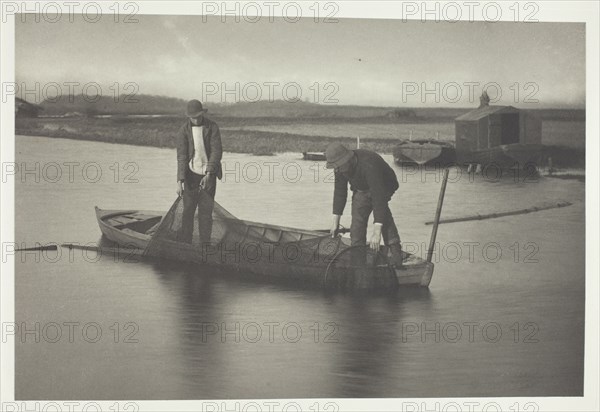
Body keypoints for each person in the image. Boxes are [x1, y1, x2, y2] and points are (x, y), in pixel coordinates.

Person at [325, 142, 403, 267]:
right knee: (357, 225)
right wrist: (335, 222)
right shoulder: (339, 167)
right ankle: (358, 260)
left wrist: (376, 232)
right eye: (334, 167)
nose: (336, 170)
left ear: (348, 160)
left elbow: (378, 197)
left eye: (338, 166)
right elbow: (340, 193)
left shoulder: (369, 164)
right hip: (361, 188)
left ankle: (395, 253)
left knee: (382, 215)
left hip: (385, 185)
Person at [176, 99, 223, 244]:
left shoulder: (212, 127)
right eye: (192, 117)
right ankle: (185, 245)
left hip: (209, 175)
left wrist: (209, 174)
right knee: (188, 211)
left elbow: (217, 151)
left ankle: (205, 246)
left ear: (202, 114)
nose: (195, 120)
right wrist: (179, 181)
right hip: (191, 175)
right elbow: (182, 156)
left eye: (198, 116)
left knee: (205, 213)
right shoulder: (183, 130)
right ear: (188, 117)